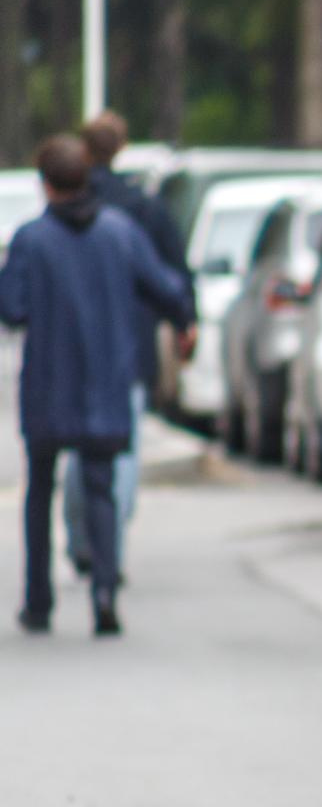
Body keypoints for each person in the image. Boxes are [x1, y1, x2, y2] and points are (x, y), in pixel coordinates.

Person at [0, 134, 191, 636]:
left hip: (47, 384)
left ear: (45, 184)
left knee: (40, 489)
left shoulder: (31, 240)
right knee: (101, 486)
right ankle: (105, 591)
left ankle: (38, 600)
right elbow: (166, 287)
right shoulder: (119, 233)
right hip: (105, 382)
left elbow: (12, 309)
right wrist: (185, 321)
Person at [65, 111, 197, 582]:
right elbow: (171, 277)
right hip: (128, 349)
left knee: (78, 453)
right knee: (122, 450)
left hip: (72, 350)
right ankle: (109, 544)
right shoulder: (142, 211)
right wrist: (186, 321)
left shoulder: (66, 206)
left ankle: (81, 538)